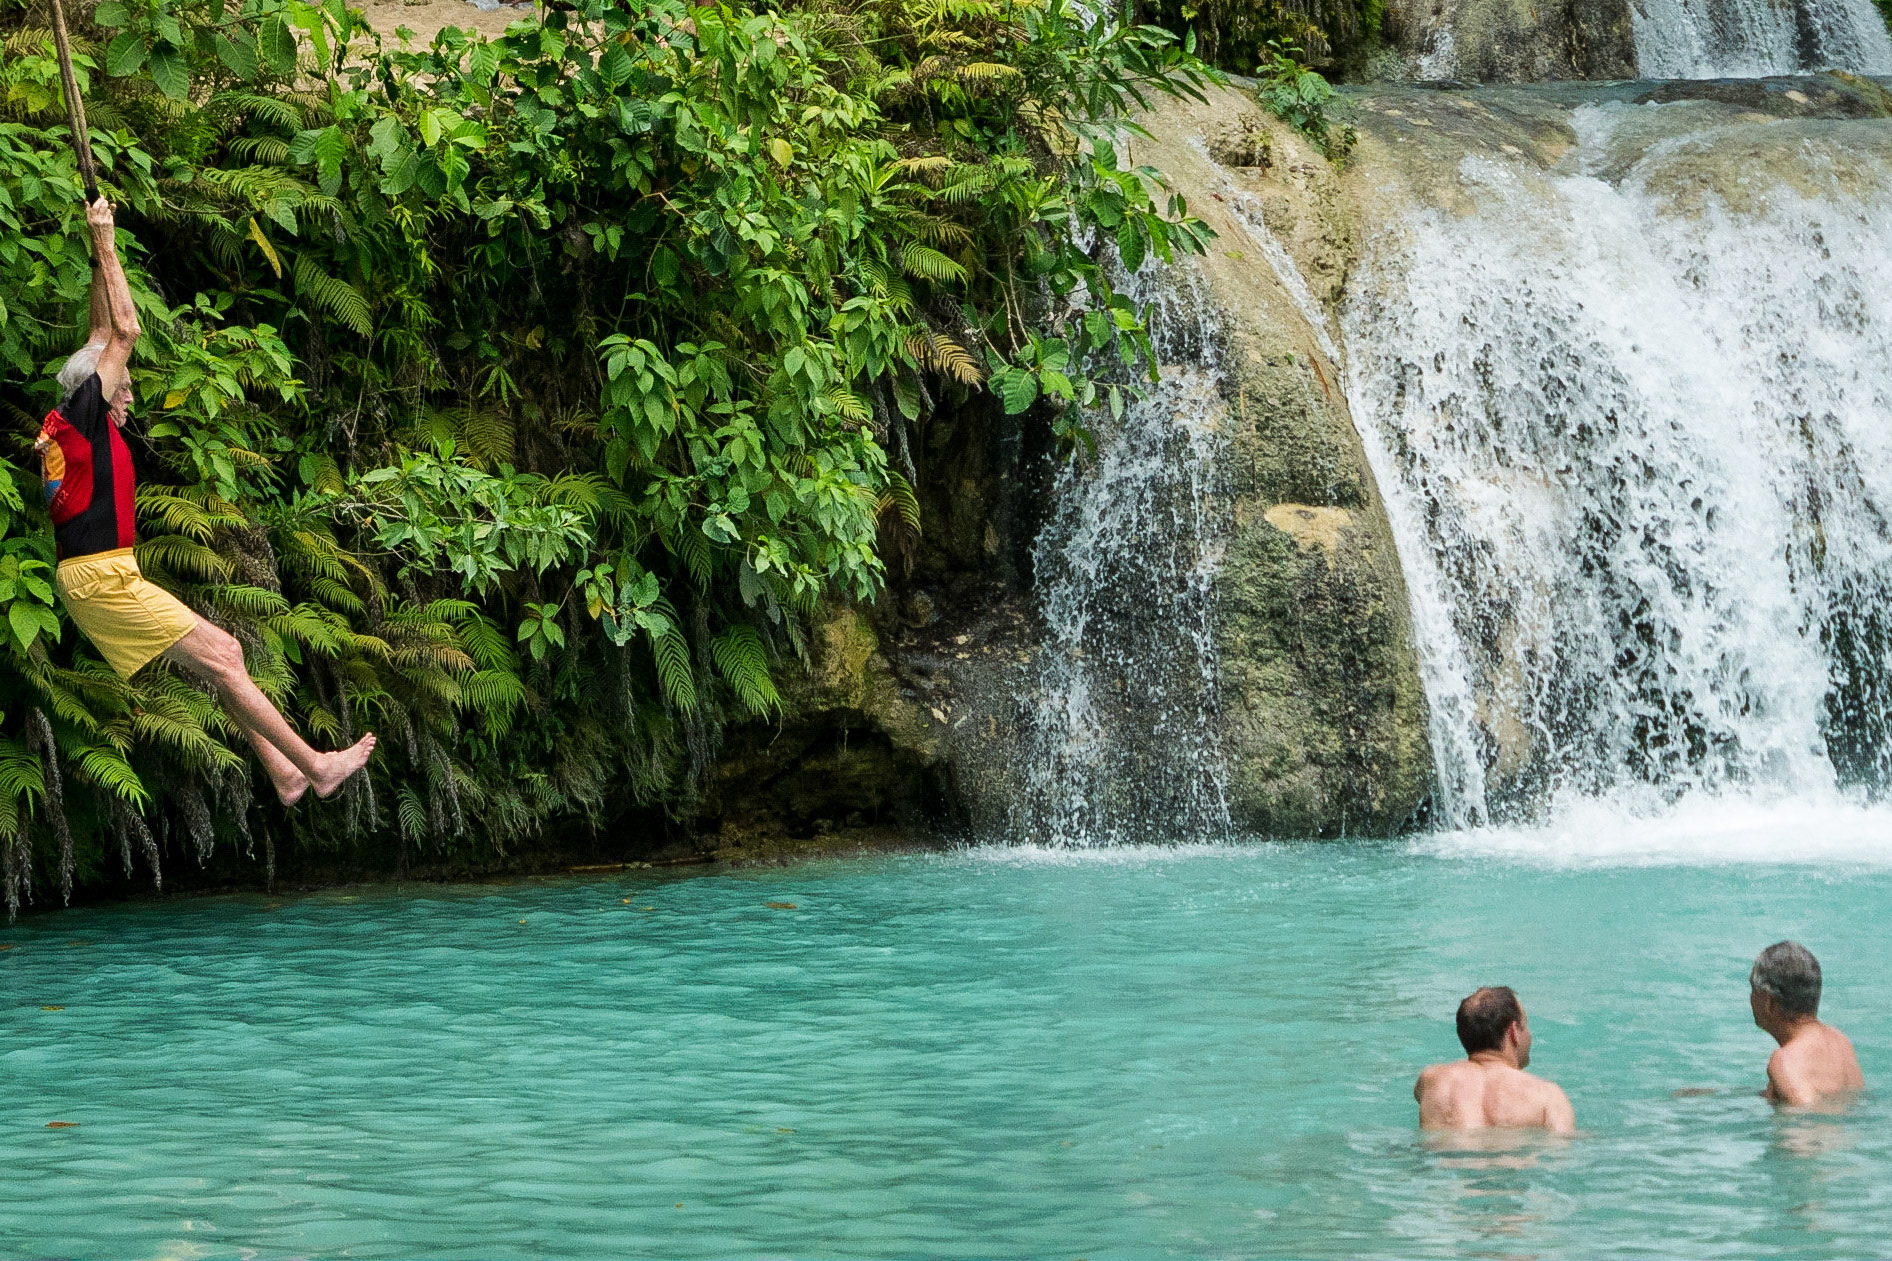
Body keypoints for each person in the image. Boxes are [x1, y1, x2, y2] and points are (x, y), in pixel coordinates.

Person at [37, 196, 375, 806]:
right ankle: (318, 767)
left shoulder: (71, 415)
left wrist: (95, 251)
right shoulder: (85, 417)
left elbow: (98, 333)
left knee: (224, 657)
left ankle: (283, 772)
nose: (131, 396)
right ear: (100, 388)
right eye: (127, 385)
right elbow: (126, 331)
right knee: (223, 655)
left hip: (100, 577)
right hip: (100, 580)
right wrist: (110, 241)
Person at [1414, 986, 1576, 1133]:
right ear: (1514, 1032)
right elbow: (1561, 1153)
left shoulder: (1430, 1080)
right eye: (1525, 1026)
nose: (1530, 1035)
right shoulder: (1548, 1096)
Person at [1749, 941, 1863, 1108]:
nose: (1751, 998)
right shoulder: (1840, 1041)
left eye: (1753, 989)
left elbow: (1809, 1125)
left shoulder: (1785, 1061)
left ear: (1768, 1001)